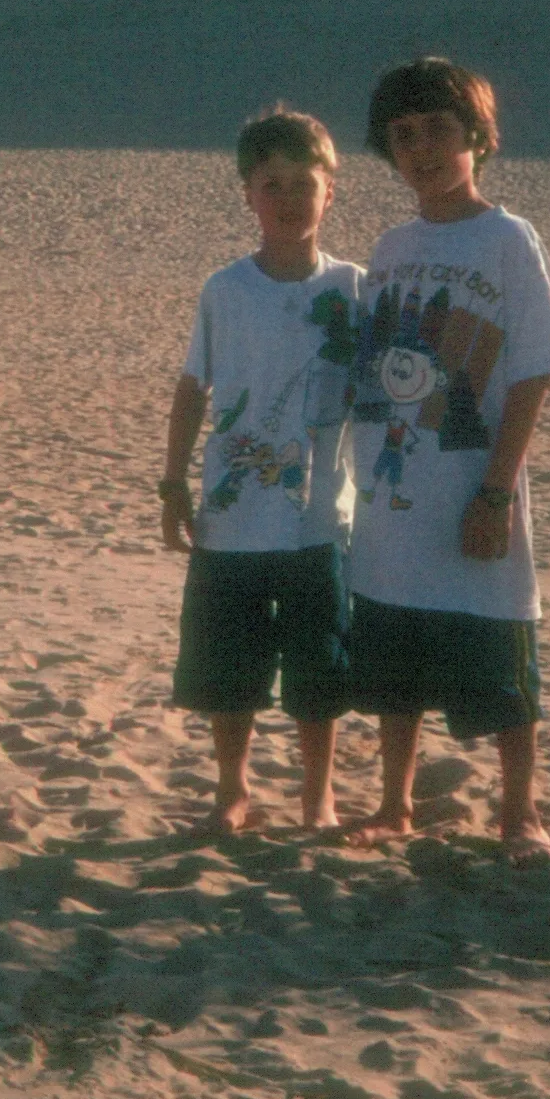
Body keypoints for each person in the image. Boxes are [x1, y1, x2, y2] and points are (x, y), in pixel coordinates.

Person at [343, 57, 550, 866]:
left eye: (438, 129)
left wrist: (498, 491)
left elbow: (536, 369)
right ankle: (396, 803)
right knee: (394, 653)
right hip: (396, 491)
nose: (422, 149)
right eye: (403, 136)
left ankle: (519, 812)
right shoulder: (393, 244)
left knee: (499, 650)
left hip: (474, 488)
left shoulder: (508, 238)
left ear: (475, 135)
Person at [161, 108, 363, 833]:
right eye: (270, 183)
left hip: (319, 518)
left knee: (319, 667)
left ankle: (318, 795)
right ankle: (232, 790)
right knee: (228, 669)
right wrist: (171, 483)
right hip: (231, 516)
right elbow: (193, 388)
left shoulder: (354, 288)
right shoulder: (225, 289)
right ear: (247, 193)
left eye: (303, 184)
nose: (287, 199)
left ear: (330, 191)